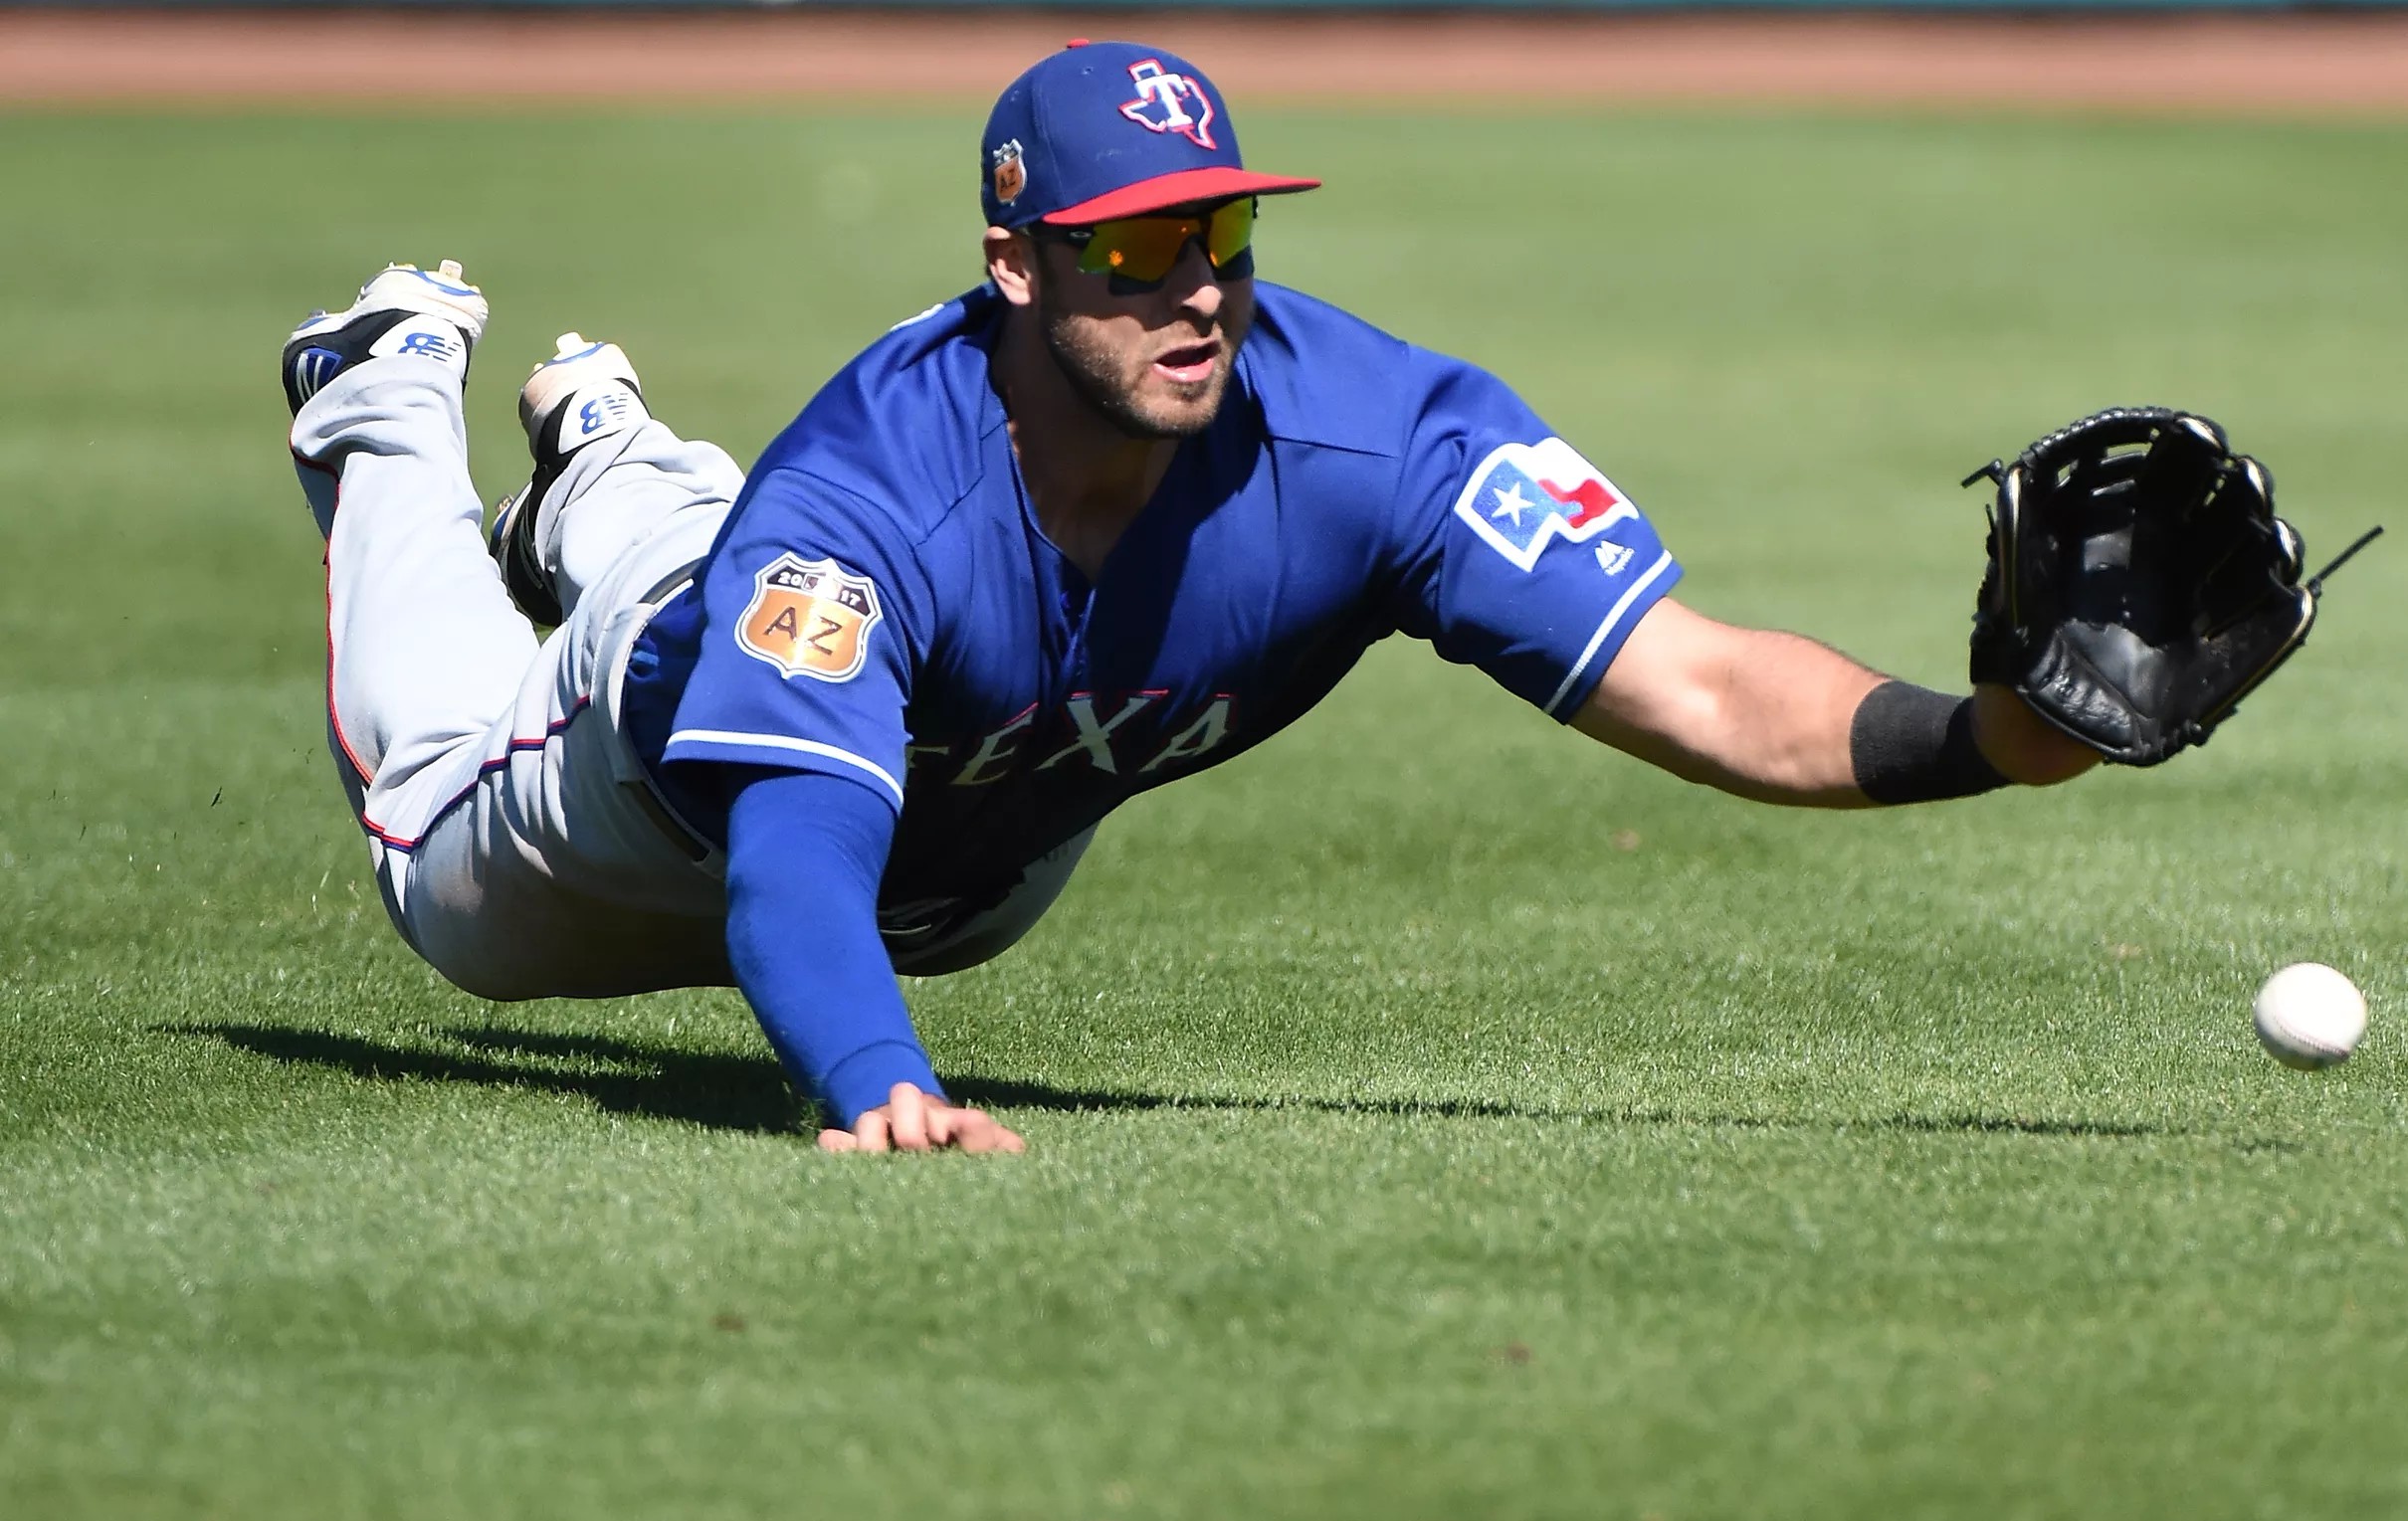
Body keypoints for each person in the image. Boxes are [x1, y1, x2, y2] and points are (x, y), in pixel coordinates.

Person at [278, 40, 2095, 1156]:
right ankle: (378, 396)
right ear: (1013, 265)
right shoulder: (856, 508)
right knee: (444, 855)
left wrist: (1995, 739)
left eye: (1220, 232)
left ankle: (607, 454)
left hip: (979, 852)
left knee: (752, 587)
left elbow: (1701, 688)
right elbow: (795, 861)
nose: (1196, 287)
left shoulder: (1383, 443)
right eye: (1136, 247)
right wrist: (869, 1076)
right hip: (660, 801)